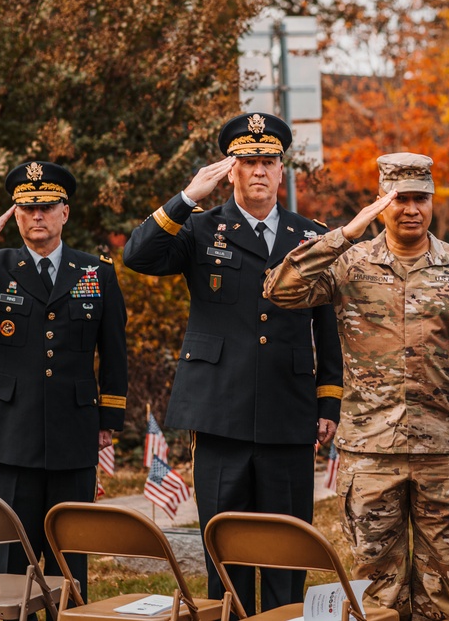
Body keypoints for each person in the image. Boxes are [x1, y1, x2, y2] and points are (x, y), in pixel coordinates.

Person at [264, 152, 449, 621]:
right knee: (376, 587)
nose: (411, 209)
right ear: (382, 203)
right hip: (370, 452)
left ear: (433, 201)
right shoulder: (349, 265)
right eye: (399, 199)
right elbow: (281, 290)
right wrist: (343, 235)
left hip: (445, 452)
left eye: (420, 198)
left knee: (446, 584)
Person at [122, 112, 342, 612]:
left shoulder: (311, 237)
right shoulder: (200, 228)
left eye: (268, 161)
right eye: (247, 162)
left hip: (289, 411)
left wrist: (328, 400)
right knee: (224, 544)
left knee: (287, 543)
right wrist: (187, 197)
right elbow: (138, 256)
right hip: (219, 411)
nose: (258, 171)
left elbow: (327, 328)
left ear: (281, 169)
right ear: (230, 170)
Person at [0, 161, 128, 602]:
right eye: (26, 208)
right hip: (11, 431)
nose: (37, 216)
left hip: (75, 429)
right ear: (14, 216)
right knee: (15, 555)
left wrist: (109, 417)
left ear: (64, 213)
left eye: (47, 207)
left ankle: (69, 615)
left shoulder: (95, 272)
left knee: (70, 553)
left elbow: (113, 350)